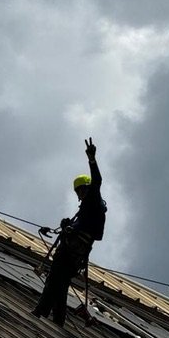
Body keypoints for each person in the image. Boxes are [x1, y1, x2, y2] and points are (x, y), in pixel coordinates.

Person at [33, 138, 106, 327]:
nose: (79, 194)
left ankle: (41, 311)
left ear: (87, 189)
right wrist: (68, 225)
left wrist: (92, 159)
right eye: (78, 192)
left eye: (81, 190)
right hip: (72, 253)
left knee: (55, 281)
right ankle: (57, 319)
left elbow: (97, 181)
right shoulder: (84, 212)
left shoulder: (94, 202)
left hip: (72, 253)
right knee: (59, 284)